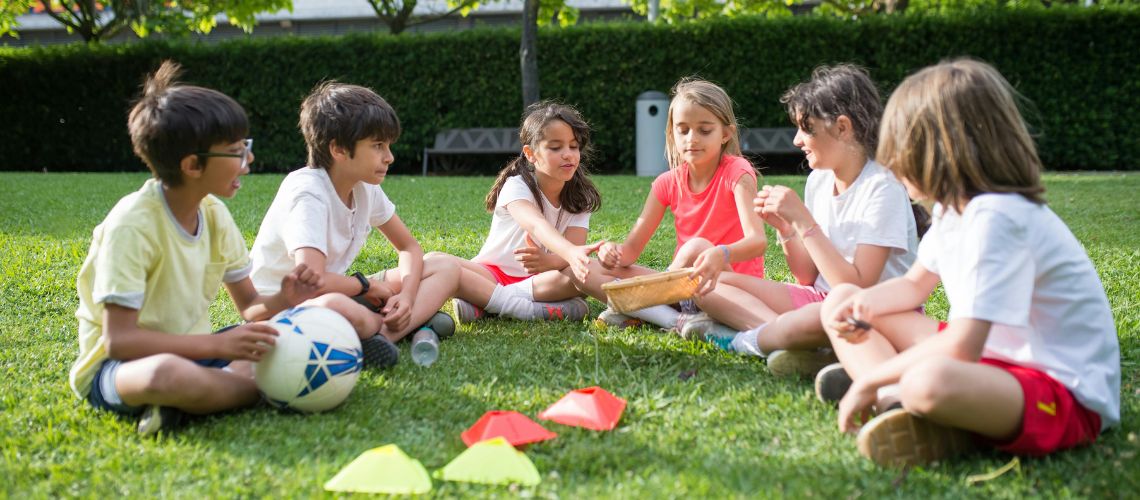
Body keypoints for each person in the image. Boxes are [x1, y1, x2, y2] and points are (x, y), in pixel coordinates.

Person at [818, 59, 1119, 468]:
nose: (888, 163)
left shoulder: (997, 216)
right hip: (994, 361)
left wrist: (869, 377)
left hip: (1061, 391)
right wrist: (861, 307)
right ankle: (894, 404)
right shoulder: (952, 210)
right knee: (841, 299)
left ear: (936, 150)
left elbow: (962, 345)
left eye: (898, 148)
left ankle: (898, 390)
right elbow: (913, 287)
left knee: (929, 382)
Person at [70, 61, 324, 435]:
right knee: (164, 374)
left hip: (196, 351)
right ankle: (265, 391)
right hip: (120, 368)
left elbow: (250, 306)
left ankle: (188, 404)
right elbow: (120, 341)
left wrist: (284, 299)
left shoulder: (214, 214)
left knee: (281, 339)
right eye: (236, 151)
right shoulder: (132, 225)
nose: (248, 159)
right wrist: (219, 347)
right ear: (192, 165)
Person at [692, 65, 919, 379]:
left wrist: (804, 222)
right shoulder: (819, 181)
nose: (797, 140)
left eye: (806, 128)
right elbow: (807, 276)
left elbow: (855, 288)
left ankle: (763, 340)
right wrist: (787, 229)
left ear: (842, 127)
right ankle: (801, 344)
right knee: (706, 286)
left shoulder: (882, 188)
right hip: (819, 301)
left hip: (869, 310)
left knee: (821, 313)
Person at [250, 81, 459, 367]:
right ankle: (388, 329)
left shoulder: (365, 186)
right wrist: (365, 286)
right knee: (337, 306)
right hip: (282, 311)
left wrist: (407, 298)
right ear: (338, 149)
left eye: (388, 145)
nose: (389, 157)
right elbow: (311, 282)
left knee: (444, 266)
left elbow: (408, 247)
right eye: (378, 146)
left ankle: (383, 331)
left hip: (336, 293)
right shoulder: (308, 193)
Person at [577, 78, 767, 333]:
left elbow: (757, 242)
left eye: (704, 130)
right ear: (671, 133)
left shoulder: (737, 173)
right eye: (683, 130)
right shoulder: (666, 183)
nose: (692, 139)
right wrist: (611, 252)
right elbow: (629, 253)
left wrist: (718, 254)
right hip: (681, 286)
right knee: (586, 270)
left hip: (729, 289)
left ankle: (640, 308)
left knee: (697, 247)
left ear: (726, 134)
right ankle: (676, 320)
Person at [425, 101, 602, 323]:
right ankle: (532, 308)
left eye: (574, 146)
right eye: (556, 148)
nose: (568, 155)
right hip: (491, 274)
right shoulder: (516, 186)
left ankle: (485, 302)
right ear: (530, 154)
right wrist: (569, 253)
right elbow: (536, 224)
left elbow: (573, 254)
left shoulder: (581, 197)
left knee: (583, 273)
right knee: (433, 260)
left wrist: (549, 262)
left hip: (541, 281)